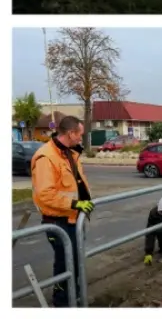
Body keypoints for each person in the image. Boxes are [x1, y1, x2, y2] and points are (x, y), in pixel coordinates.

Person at [30, 116, 93, 308]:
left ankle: (74, 294)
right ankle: (63, 303)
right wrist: (75, 204)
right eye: (79, 135)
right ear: (70, 133)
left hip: (73, 219)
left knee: (74, 261)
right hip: (59, 221)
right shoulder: (46, 157)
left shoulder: (68, 153)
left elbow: (75, 182)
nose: (81, 139)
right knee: (65, 263)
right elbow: (45, 195)